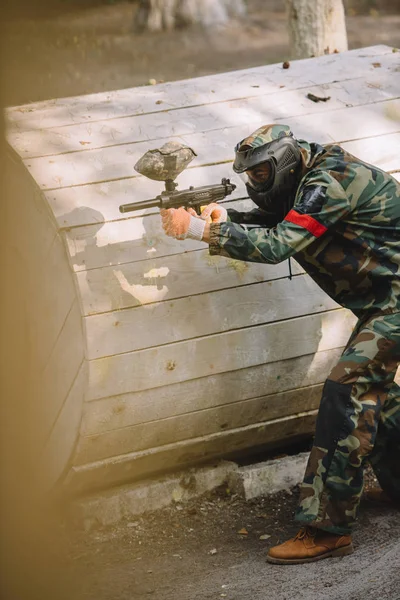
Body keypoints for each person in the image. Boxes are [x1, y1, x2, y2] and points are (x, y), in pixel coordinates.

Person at [160, 123, 400, 564]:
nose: (255, 183)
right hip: (385, 300)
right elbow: (281, 221)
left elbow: (278, 245)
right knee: (378, 396)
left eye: (261, 174)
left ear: (285, 161)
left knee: (346, 391)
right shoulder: (314, 173)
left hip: (395, 301)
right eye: (250, 176)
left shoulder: (329, 181)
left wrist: (199, 231)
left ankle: (327, 529)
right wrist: (223, 218)